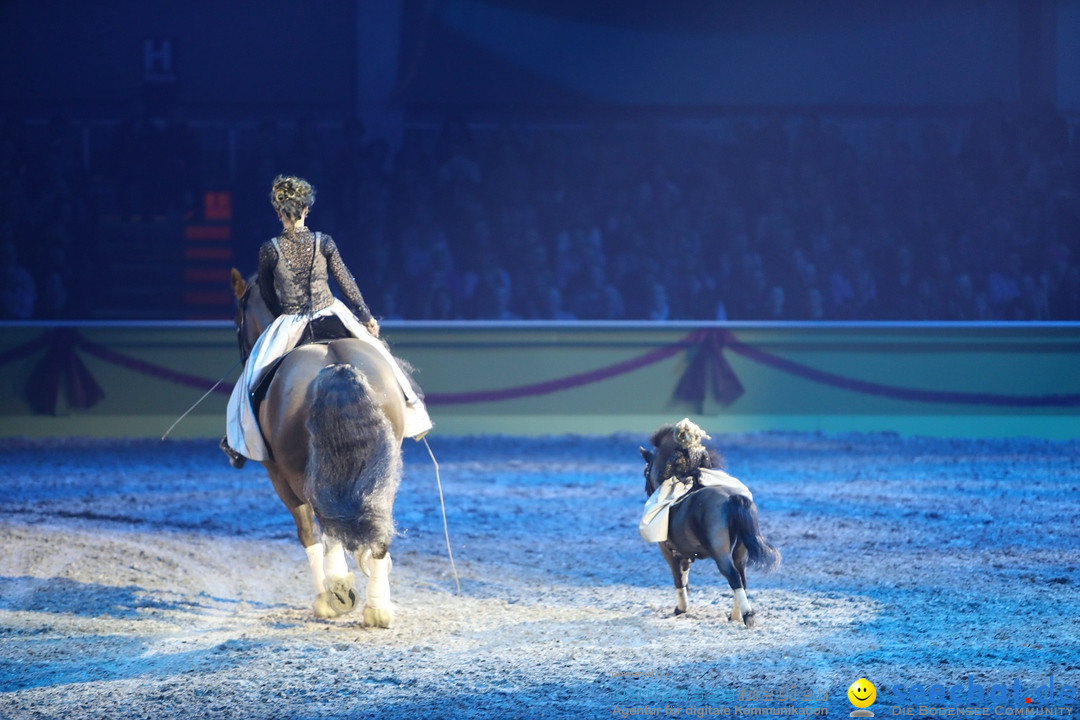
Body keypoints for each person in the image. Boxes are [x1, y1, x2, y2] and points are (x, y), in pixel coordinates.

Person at [221, 175, 431, 468]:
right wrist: (366, 316)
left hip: (290, 320)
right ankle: (414, 408)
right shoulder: (324, 242)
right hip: (332, 312)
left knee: (250, 381)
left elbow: (268, 295)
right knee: (384, 357)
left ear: (278, 213)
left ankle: (237, 444)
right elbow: (346, 281)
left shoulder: (269, 249)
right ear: (307, 209)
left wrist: (283, 317)